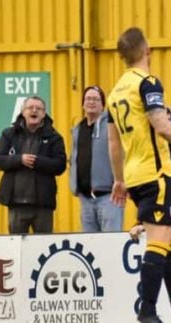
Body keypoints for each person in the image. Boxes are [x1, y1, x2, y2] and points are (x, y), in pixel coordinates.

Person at [106, 27, 171, 323]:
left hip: (135, 174)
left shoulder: (114, 94)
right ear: (147, 51)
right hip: (157, 174)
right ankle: (148, 310)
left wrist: (118, 180)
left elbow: (113, 142)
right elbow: (163, 126)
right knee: (159, 240)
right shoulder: (148, 83)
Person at [0, 96, 66, 234]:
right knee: (16, 246)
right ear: (22, 112)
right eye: (30, 108)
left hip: (43, 205)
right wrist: (19, 159)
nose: (34, 111)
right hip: (16, 203)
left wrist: (37, 161)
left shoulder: (54, 137)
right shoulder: (9, 134)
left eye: (39, 108)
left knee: (44, 247)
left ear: (44, 113)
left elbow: (60, 165)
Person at [69, 86, 123, 233]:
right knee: (90, 248)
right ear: (82, 104)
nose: (91, 102)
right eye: (88, 99)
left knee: (111, 243)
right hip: (85, 199)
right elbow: (73, 158)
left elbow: (121, 154)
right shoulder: (78, 129)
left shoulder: (112, 126)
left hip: (109, 198)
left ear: (102, 104)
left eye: (95, 99)